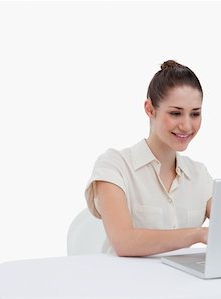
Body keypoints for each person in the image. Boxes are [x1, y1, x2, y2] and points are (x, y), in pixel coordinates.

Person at [85, 60, 213, 256]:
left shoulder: (199, 175)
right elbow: (124, 242)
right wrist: (198, 234)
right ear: (150, 109)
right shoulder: (115, 166)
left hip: (183, 284)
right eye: (175, 113)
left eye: (195, 114)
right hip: (124, 283)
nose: (187, 125)